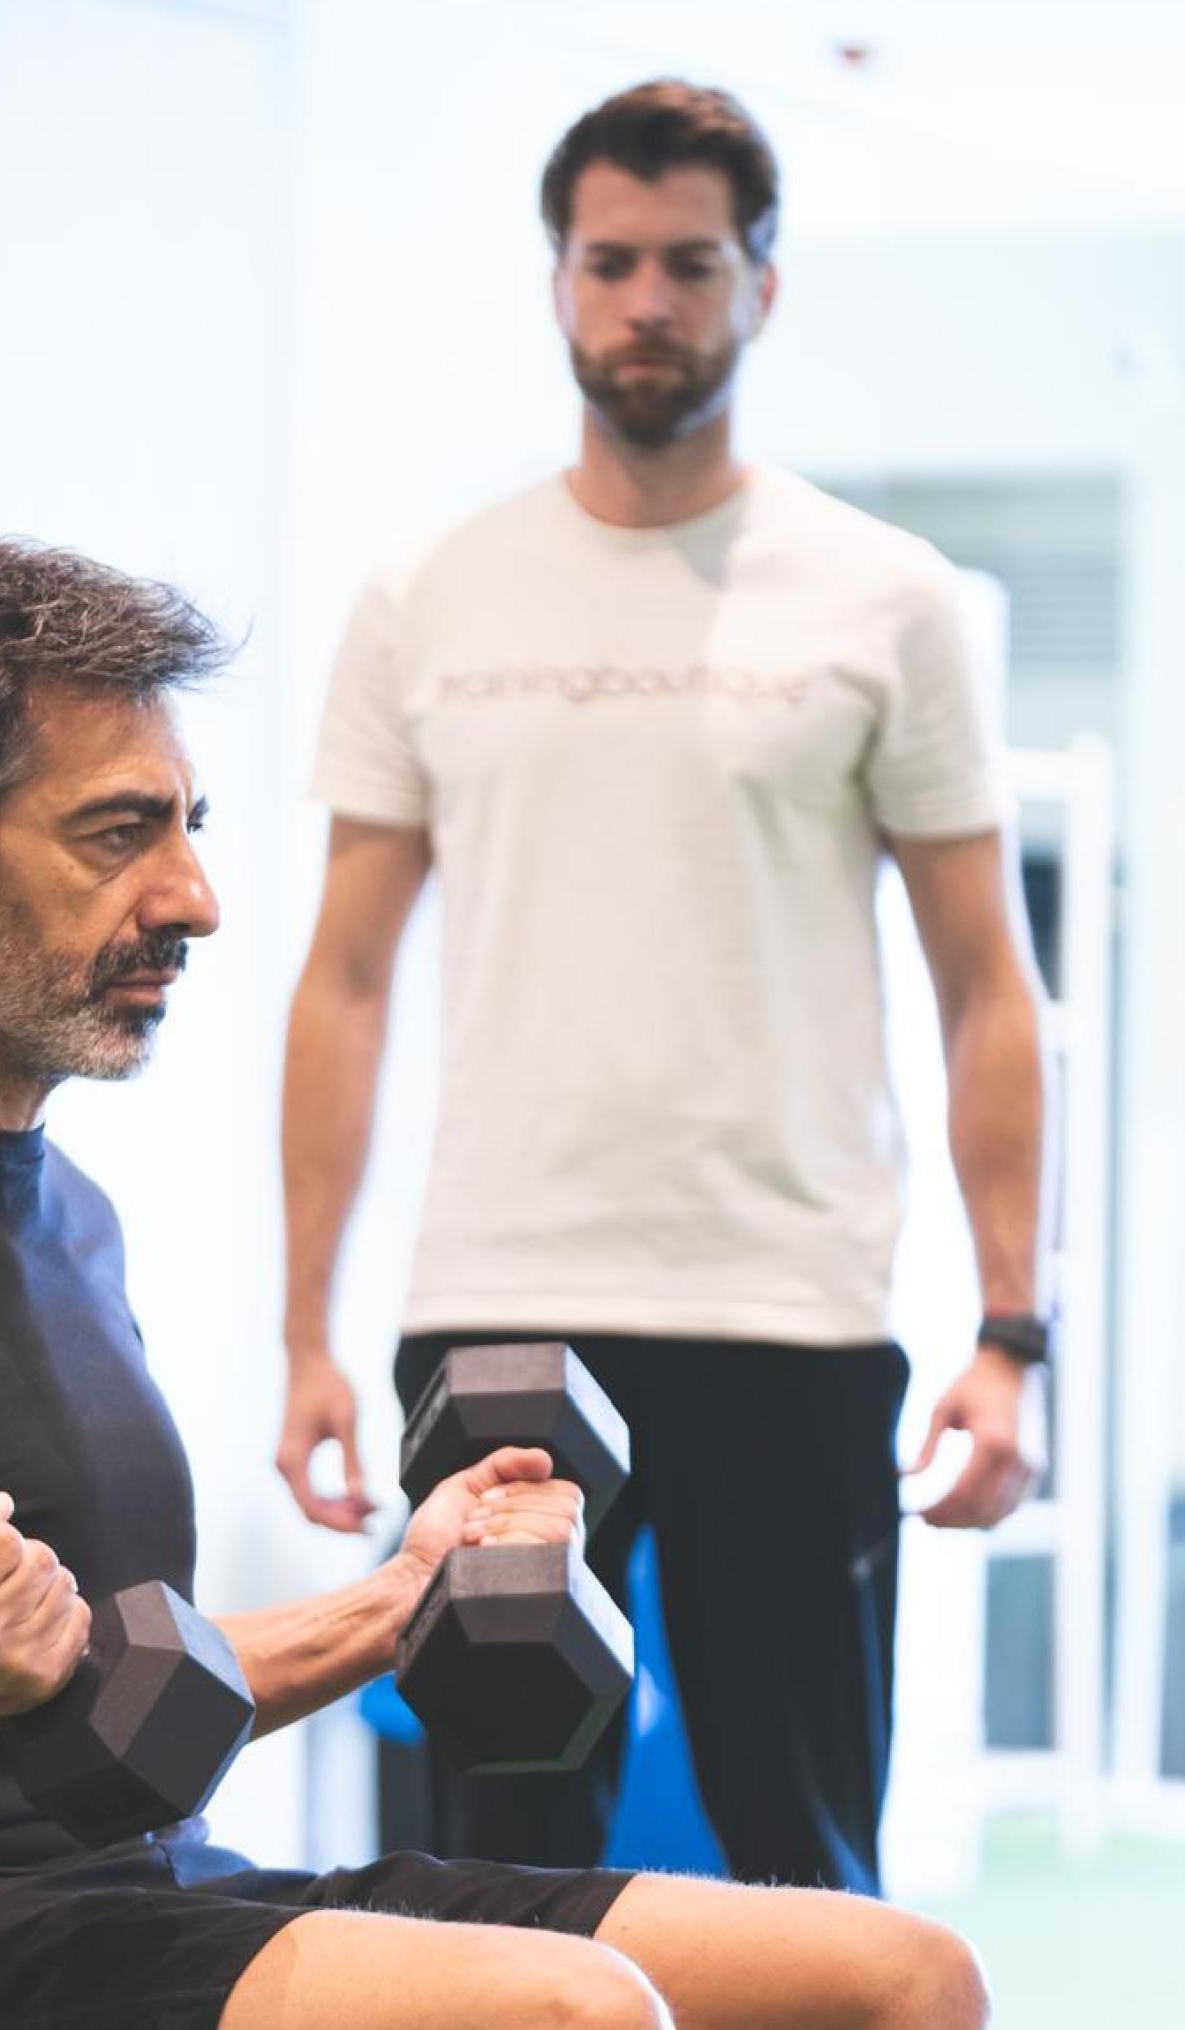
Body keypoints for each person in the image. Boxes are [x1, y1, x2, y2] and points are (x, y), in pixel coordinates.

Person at [0, 540, 988, 2029]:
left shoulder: (69, 1215)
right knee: (573, 2013)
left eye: (187, 826)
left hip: (140, 1885)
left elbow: (112, 1683)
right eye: (116, 834)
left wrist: (397, 1600)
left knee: (896, 1976)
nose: (194, 896)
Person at [277, 79, 1047, 1893]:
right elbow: (342, 979)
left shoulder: (886, 600)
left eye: (687, 264)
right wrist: (307, 1326)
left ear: (757, 286)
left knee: (807, 1870)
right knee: (495, 1883)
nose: (645, 303)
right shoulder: (426, 596)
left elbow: (984, 987)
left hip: (787, 1313)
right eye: (608, 263)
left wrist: (1009, 1334)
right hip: (497, 1318)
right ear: (556, 280)